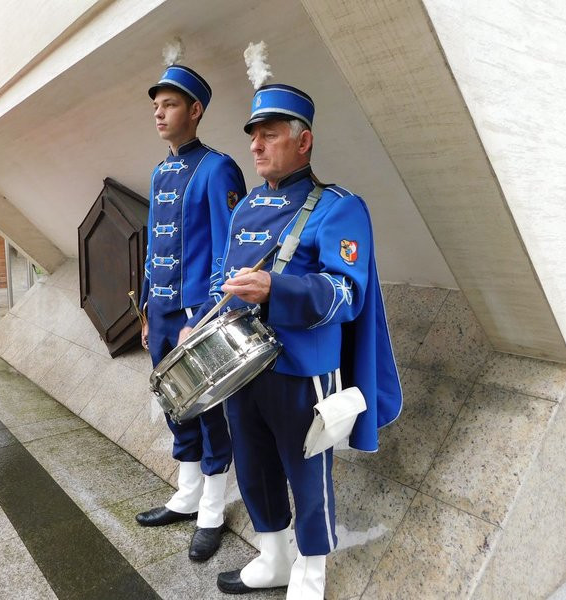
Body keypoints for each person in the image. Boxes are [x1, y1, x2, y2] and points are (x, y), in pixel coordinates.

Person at [181, 84, 402, 597]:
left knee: (307, 476)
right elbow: (223, 276)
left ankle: (310, 574)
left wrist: (275, 288)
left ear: (303, 143)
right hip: (240, 367)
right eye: (254, 135)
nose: (256, 146)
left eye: (270, 135)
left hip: (302, 369)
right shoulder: (246, 208)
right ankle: (273, 557)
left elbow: (346, 292)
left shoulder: (339, 208)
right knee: (254, 466)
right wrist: (203, 320)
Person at [135, 63, 246, 562]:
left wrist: (201, 318)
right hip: (160, 312)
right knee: (174, 404)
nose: (159, 113)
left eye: (171, 104)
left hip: (196, 317)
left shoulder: (219, 168)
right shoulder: (160, 169)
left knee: (209, 410)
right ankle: (186, 496)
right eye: (156, 105)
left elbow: (229, 248)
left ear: (195, 110)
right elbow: (153, 245)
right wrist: (145, 309)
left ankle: (213, 512)